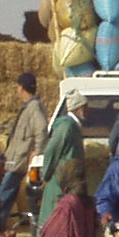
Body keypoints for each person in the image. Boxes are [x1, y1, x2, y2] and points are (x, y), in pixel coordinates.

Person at [0, 73, 50, 226]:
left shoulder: (33, 108)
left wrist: (37, 154)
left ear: (21, 88)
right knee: (5, 197)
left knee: (1, 197)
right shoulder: (28, 107)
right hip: (14, 159)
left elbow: (41, 130)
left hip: (18, 161)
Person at [37, 89, 89, 224]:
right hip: (60, 179)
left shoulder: (74, 126)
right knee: (55, 216)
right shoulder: (66, 126)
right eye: (85, 106)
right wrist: (46, 175)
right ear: (79, 108)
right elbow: (52, 150)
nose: (87, 110)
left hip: (70, 180)